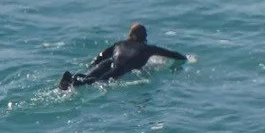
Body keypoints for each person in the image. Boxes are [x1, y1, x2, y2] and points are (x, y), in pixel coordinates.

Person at [57, 23, 189, 93]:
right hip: (121, 68)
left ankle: (72, 78)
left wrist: (92, 65)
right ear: (143, 37)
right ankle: (77, 83)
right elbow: (172, 54)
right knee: (98, 81)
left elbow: (101, 56)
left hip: (108, 62)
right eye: (146, 35)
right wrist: (186, 58)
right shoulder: (148, 48)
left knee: (90, 74)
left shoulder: (119, 43)